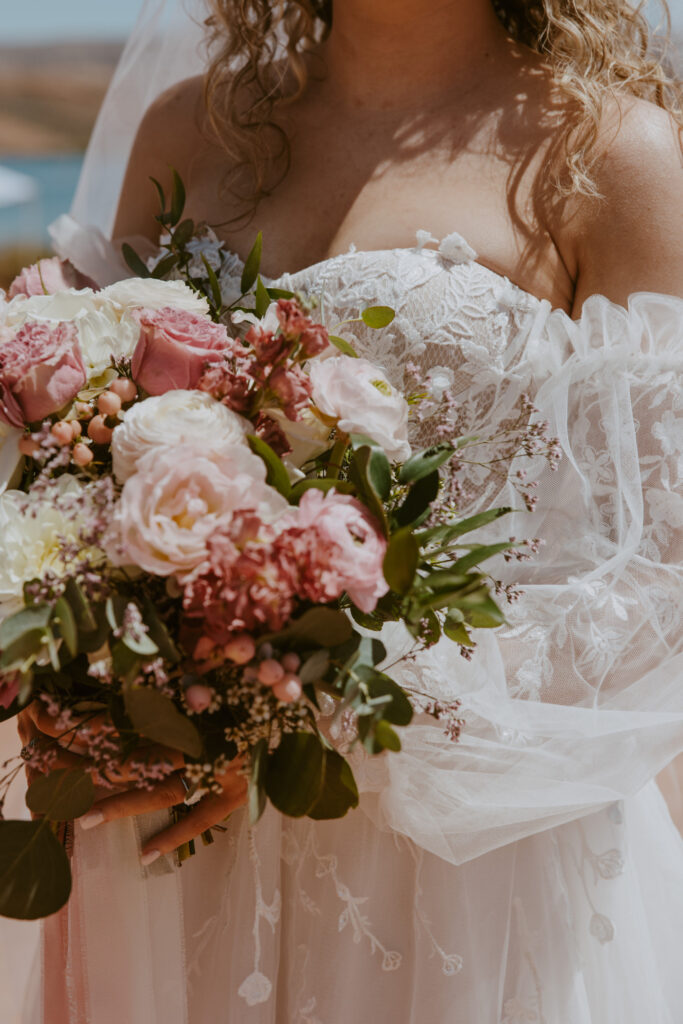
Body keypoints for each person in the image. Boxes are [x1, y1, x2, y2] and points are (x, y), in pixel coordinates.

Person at [17, 0, 683, 1021]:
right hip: (177, 833)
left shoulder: (604, 153)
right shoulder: (191, 128)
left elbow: (652, 576)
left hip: (454, 863)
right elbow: (95, 455)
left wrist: (308, 702)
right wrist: (117, 679)